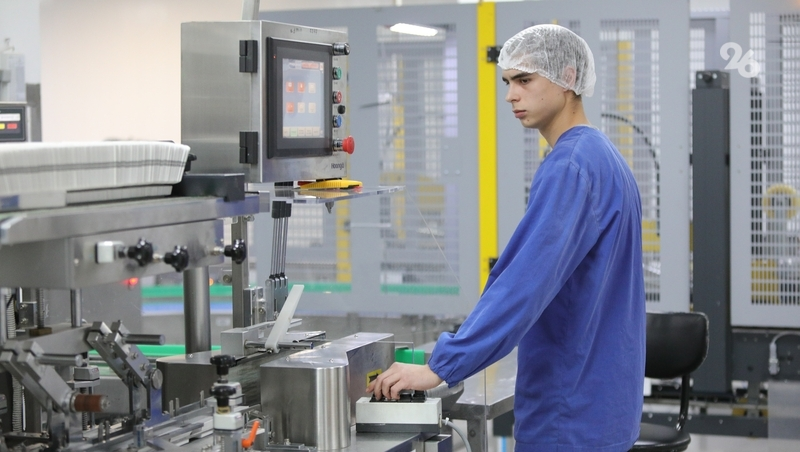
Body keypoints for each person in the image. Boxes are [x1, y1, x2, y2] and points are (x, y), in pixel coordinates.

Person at [367, 24, 645, 451]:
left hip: (567, 416)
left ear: (568, 78)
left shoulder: (570, 167)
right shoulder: (604, 157)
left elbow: (522, 285)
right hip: (604, 408)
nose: (511, 95)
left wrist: (441, 367)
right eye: (507, 82)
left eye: (525, 80)